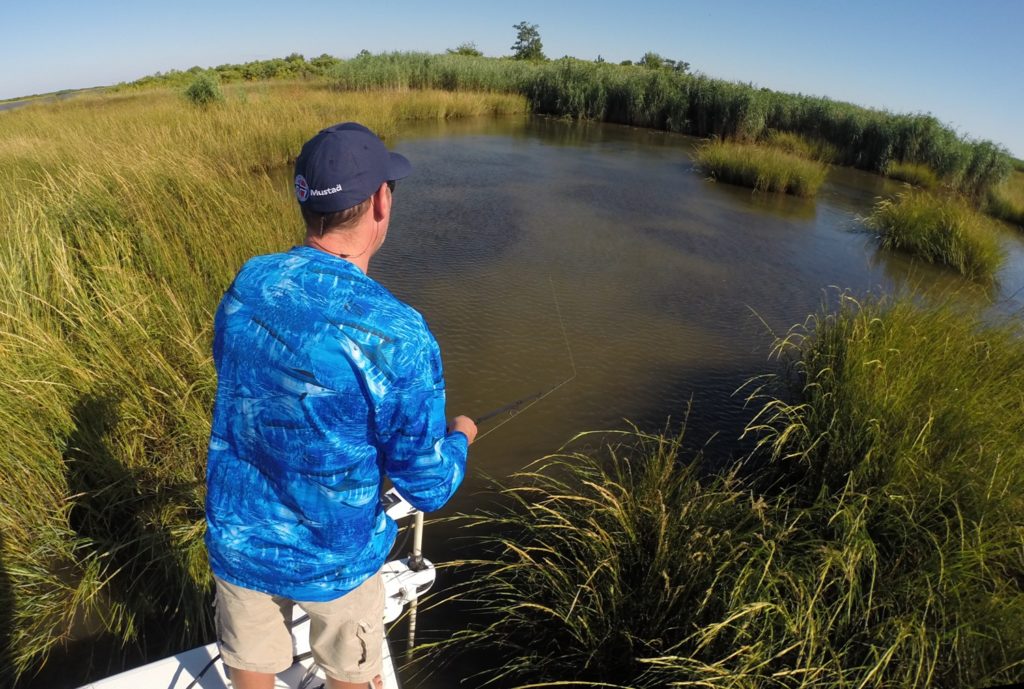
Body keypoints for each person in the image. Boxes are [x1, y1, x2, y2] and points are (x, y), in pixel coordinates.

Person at [205, 122, 477, 689]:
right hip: (336, 558)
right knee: (351, 675)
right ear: (381, 200)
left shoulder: (251, 281)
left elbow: (233, 373)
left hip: (239, 536)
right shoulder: (398, 335)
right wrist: (461, 437)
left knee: (250, 665)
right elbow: (427, 486)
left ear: (304, 201)